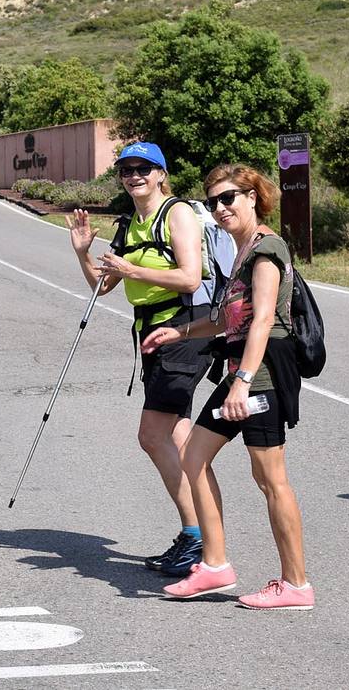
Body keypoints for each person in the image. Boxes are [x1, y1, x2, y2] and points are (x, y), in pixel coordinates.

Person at [144, 164, 314, 610]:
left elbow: (261, 319)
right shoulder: (239, 252)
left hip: (261, 379)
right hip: (241, 370)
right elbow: (225, 318)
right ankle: (215, 564)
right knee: (193, 454)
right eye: (213, 201)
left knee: (271, 479)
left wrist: (240, 384)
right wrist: (178, 333)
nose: (220, 208)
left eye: (230, 198)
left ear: (253, 197)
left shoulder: (267, 250)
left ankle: (296, 584)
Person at [66, 141, 214, 576]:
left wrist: (132, 270)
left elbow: (189, 278)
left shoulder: (178, 213)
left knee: (152, 436)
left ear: (161, 173)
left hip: (186, 328)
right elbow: (102, 285)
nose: (134, 176)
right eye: (127, 170)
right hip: (150, 333)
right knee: (182, 441)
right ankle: (205, 538)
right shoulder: (129, 222)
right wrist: (81, 251)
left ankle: (196, 536)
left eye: (143, 169)